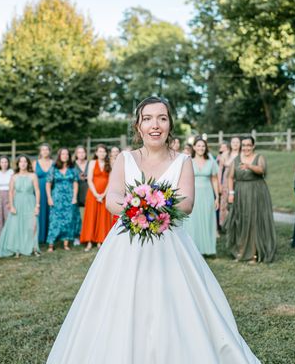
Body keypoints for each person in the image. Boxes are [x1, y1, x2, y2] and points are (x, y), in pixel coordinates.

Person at [47, 97, 259, 363]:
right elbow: (112, 197)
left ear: (170, 125)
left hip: (171, 244)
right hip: (127, 245)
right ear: (138, 126)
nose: (154, 125)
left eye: (162, 118)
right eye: (147, 119)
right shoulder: (126, 158)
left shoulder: (183, 161)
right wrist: (132, 207)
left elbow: (189, 202)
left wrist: (157, 203)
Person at [225, 136, 276, 263]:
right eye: (244, 145)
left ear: (253, 146)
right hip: (240, 192)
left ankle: (254, 254)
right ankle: (241, 252)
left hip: (257, 192)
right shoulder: (236, 160)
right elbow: (230, 177)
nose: (246, 147)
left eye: (249, 145)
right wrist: (231, 193)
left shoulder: (259, 157)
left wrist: (249, 166)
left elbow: (261, 170)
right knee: (241, 221)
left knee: (254, 222)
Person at [0, 155, 41, 257]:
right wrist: (12, 206)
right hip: (18, 202)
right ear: (18, 164)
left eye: (25, 162)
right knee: (17, 225)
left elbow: (37, 190)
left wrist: (37, 205)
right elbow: (11, 192)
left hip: (30, 201)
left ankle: (33, 247)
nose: (23, 164)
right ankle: (17, 248)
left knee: (32, 224)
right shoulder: (14, 176)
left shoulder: (33, 175)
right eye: (21, 162)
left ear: (28, 163)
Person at [184, 137, 219, 256]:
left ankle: (207, 249)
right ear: (194, 147)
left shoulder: (211, 161)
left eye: (203, 146)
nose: (201, 148)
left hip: (207, 193)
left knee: (207, 219)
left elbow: (214, 180)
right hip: (192, 193)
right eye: (198, 146)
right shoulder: (188, 161)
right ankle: (193, 249)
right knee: (193, 220)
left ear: (206, 148)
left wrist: (217, 197)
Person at [79, 144, 112, 251]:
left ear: (106, 153)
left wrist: (103, 194)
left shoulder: (109, 164)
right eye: (100, 151)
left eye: (104, 151)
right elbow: (89, 179)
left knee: (103, 217)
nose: (102, 153)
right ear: (96, 153)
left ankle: (100, 240)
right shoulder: (93, 163)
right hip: (93, 194)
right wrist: (96, 194)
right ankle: (89, 241)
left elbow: (110, 181)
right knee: (91, 216)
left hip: (104, 195)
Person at [46, 148, 79, 252]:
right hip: (56, 198)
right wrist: (49, 198)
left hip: (69, 198)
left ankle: (66, 243)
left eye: (67, 154)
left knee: (68, 220)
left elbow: (75, 183)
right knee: (54, 220)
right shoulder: (53, 168)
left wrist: (74, 197)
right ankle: (51, 244)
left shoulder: (73, 168)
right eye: (63, 154)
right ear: (59, 156)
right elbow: (48, 184)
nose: (65, 156)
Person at [35, 143, 53, 244]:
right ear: (40, 152)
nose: (45, 151)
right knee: (40, 212)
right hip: (39, 189)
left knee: (50, 212)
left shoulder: (53, 163)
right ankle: (39, 236)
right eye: (43, 150)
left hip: (50, 190)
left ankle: (49, 236)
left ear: (49, 151)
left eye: (47, 149)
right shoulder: (35, 163)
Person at [0, 155, 14, 239]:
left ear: (8, 163)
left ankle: (9, 240)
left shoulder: (11, 172)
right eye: (2, 162)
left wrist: (11, 201)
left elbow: (13, 187)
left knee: (8, 219)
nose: (4, 164)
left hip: (8, 196)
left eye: (5, 162)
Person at [73, 146, 89, 244]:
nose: (81, 154)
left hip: (88, 191)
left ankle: (87, 235)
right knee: (77, 215)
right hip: (77, 191)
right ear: (76, 154)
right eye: (79, 152)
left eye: (83, 152)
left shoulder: (90, 163)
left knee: (87, 215)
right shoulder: (73, 165)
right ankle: (77, 236)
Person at [217, 141, 232, 231]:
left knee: (226, 204)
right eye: (221, 147)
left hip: (225, 181)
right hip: (221, 181)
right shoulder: (219, 157)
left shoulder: (228, 156)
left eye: (224, 147)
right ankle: (221, 224)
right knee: (222, 204)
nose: (222, 149)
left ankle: (226, 224)